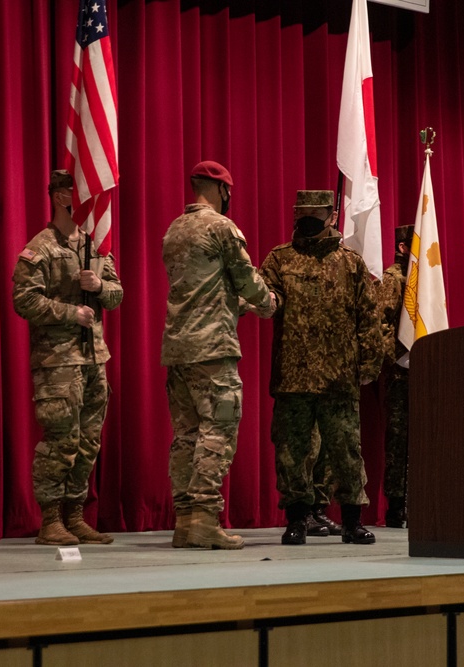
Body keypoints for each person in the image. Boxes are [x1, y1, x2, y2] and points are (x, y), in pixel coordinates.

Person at [161, 160, 275, 550]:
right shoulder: (222, 227)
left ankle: (185, 521)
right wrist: (267, 301)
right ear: (224, 191)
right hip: (212, 346)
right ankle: (205, 520)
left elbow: (203, 290)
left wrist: (238, 303)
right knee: (219, 429)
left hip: (178, 347)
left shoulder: (175, 229)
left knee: (186, 435)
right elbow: (245, 277)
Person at [261, 190, 384, 546]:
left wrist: (370, 362)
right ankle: (296, 519)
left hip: (338, 375)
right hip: (293, 376)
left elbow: (368, 317)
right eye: (303, 213)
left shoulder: (350, 263)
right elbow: (266, 296)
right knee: (291, 452)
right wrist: (262, 301)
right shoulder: (279, 259)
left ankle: (351, 520)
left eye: (317, 214)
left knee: (346, 451)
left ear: (332, 216)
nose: (309, 220)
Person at [12, 169, 124, 546]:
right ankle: (50, 520)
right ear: (61, 197)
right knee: (61, 439)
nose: (91, 203)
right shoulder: (40, 248)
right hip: (58, 361)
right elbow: (23, 300)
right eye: (82, 194)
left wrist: (101, 285)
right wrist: (68, 312)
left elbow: (118, 294)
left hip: (95, 358)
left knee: (89, 441)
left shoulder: (96, 245)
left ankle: (75, 516)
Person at [374, 225, 414, 528]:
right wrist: (394, 362)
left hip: (423, 373)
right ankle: (396, 505)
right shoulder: (392, 278)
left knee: (421, 440)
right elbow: (382, 324)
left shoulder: (425, 281)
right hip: (400, 373)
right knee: (398, 440)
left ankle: (418, 499)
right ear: (402, 247)